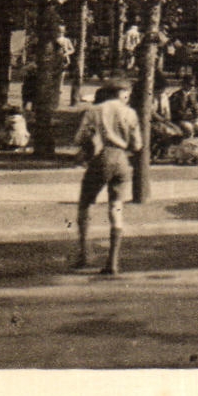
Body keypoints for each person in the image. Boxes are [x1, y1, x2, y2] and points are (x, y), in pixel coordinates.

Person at [72, 80, 142, 275]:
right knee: (116, 207)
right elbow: (137, 145)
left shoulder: (95, 110)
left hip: (101, 158)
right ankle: (113, 260)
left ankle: (85, 253)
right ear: (121, 94)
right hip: (122, 160)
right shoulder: (130, 113)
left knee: (86, 203)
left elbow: (80, 138)